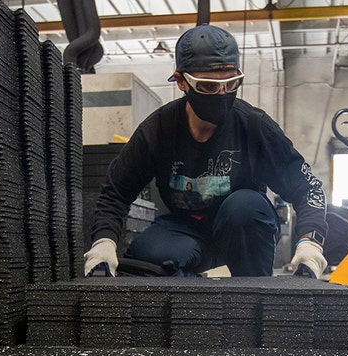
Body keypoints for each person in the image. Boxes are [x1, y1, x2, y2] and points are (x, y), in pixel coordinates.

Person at [83, 24, 328, 278]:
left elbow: (307, 188)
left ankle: (253, 292)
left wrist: (310, 241)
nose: (222, 94)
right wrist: (104, 241)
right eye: (209, 86)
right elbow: (116, 193)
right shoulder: (158, 130)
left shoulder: (255, 127)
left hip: (243, 230)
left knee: (244, 206)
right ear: (181, 81)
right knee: (148, 260)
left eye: (231, 83)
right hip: (186, 229)